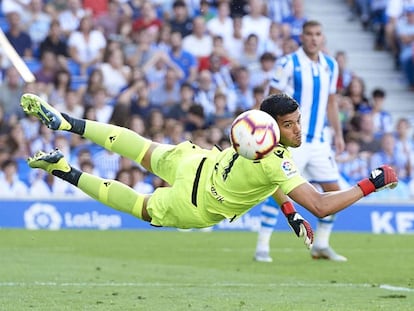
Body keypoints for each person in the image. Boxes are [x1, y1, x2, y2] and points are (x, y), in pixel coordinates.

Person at [20, 93, 397, 241]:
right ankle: (64, 170)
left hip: (198, 160)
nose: (298, 129)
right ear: (273, 128)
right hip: (196, 203)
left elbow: (271, 182)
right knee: (140, 206)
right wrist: (373, 182)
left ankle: (67, 121)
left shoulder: (250, 125)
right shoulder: (277, 159)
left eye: (298, 120)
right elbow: (321, 204)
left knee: (142, 148)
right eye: (290, 124)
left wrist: (289, 215)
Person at [255, 20, 347, 263]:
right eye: (309, 34)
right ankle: (262, 246)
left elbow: (331, 102)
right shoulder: (287, 63)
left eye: (318, 34)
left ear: (322, 37)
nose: (314, 38)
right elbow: (271, 103)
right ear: (302, 37)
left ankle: (322, 245)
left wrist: (338, 134)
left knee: (335, 192)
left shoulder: (330, 65)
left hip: (319, 141)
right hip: (291, 142)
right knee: (277, 191)